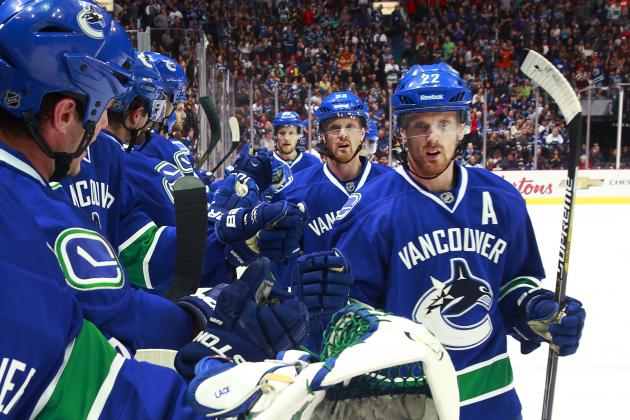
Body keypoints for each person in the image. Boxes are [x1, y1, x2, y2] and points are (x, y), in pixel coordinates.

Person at [0, 0, 308, 417]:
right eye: (105, 108)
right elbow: (81, 385)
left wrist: (227, 248)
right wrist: (209, 364)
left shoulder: (95, 160)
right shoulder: (24, 217)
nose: (108, 125)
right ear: (65, 113)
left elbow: (136, 248)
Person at [327, 63, 586, 419]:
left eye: (444, 124)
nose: (433, 138)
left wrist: (534, 311)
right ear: (402, 132)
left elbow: (513, 282)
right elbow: (350, 313)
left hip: (491, 398)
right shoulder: (370, 211)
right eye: (421, 127)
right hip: (407, 401)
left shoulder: (501, 198)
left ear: (464, 127)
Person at [273, 92, 391, 289]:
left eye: (350, 126)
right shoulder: (295, 190)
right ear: (322, 136)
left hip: (377, 310)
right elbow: (284, 261)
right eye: (334, 128)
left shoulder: (388, 184)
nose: (343, 134)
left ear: (363, 132)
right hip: (320, 308)